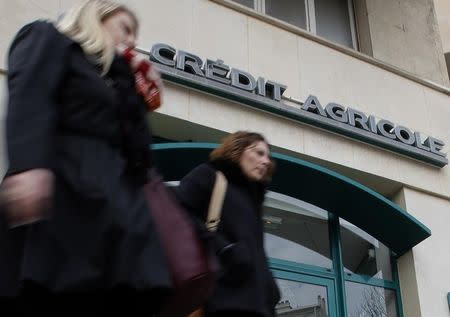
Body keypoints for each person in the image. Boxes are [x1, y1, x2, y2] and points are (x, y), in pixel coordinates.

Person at [0, 0, 172, 314]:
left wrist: (132, 90)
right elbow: (30, 96)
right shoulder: (50, 39)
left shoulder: (115, 81)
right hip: (66, 195)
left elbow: (139, 154)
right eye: (126, 28)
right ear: (98, 17)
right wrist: (27, 165)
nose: (133, 41)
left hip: (114, 213)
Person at [175, 131, 281, 317]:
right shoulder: (211, 176)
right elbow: (176, 210)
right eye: (259, 153)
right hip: (222, 301)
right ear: (238, 149)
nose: (266, 161)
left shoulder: (254, 200)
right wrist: (222, 248)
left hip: (258, 307)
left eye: (268, 157)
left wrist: (270, 288)